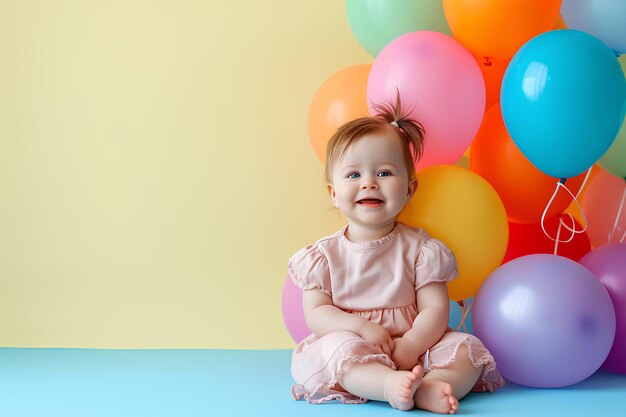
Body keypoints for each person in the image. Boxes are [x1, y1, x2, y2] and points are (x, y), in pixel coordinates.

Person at [288, 97, 504, 414]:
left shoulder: (421, 249)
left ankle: (433, 386)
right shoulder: (324, 255)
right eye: (353, 176)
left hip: (415, 346)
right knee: (339, 353)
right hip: (356, 344)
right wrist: (362, 329)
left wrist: (412, 345)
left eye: (385, 173)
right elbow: (317, 313)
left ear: (410, 189)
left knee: (466, 350)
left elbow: (434, 308)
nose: (369, 183)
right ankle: (388, 385)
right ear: (333, 193)